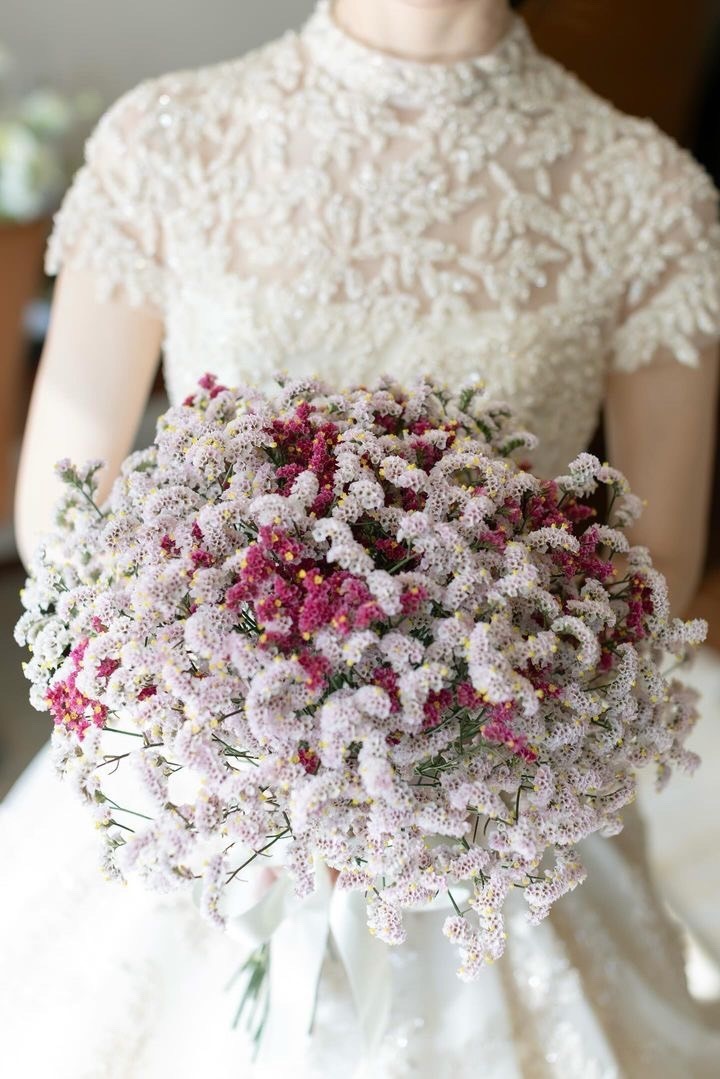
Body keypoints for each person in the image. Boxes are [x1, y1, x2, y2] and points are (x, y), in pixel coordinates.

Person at [3, 1, 720, 1074]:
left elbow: (651, 577)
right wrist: (241, 737)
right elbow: (65, 511)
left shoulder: (649, 196)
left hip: (491, 797)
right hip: (199, 787)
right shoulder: (172, 137)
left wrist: (431, 752)